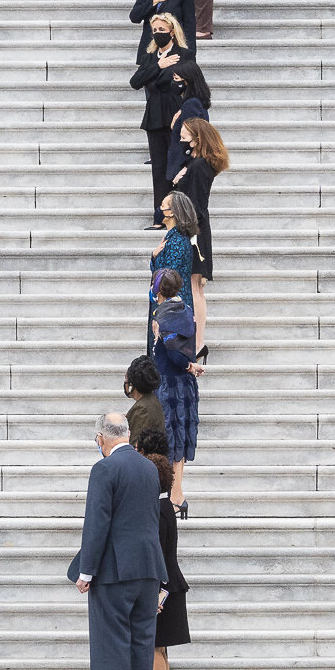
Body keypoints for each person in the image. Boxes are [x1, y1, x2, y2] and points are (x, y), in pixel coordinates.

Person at [67, 411, 167, 670]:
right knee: (141, 647)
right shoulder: (149, 468)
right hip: (148, 570)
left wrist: (86, 571)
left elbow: (97, 523)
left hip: (114, 573)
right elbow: (151, 521)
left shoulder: (104, 468)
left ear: (101, 438)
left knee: (110, 647)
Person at [148, 209, 204, 513]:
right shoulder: (184, 308)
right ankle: (177, 493)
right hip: (185, 384)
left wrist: (186, 364)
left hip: (170, 383)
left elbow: (171, 348)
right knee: (180, 440)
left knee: (169, 438)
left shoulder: (165, 315)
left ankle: (171, 494)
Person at [130, 14, 206, 224]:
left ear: (172, 31)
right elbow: (135, 82)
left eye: (162, 30)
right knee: (159, 168)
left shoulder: (185, 55)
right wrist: (159, 67)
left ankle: (181, 215)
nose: (158, 34)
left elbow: (193, 82)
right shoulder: (150, 57)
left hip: (176, 114)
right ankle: (161, 216)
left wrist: (185, 112)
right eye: (154, 30)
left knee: (177, 164)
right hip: (154, 117)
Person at [145, 443, 188, 670]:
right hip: (171, 584)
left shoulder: (157, 510)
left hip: (164, 586)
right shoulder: (165, 507)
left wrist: (157, 593)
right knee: (160, 648)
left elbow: (158, 551)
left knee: (156, 647)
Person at [167, 117, 226, 317]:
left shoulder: (200, 166)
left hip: (194, 230)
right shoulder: (194, 162)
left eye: (185, 131)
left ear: (197, 137)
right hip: (193, 229)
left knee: (195, 288)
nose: (181, 132)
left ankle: (198, 343)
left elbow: (197, 204)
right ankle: (197, 343)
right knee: (193, 287)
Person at [122, 356, 165, 448]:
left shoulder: (142, 409)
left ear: (131, 385)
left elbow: (135, 446)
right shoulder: (152, 401)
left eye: (126, 380)